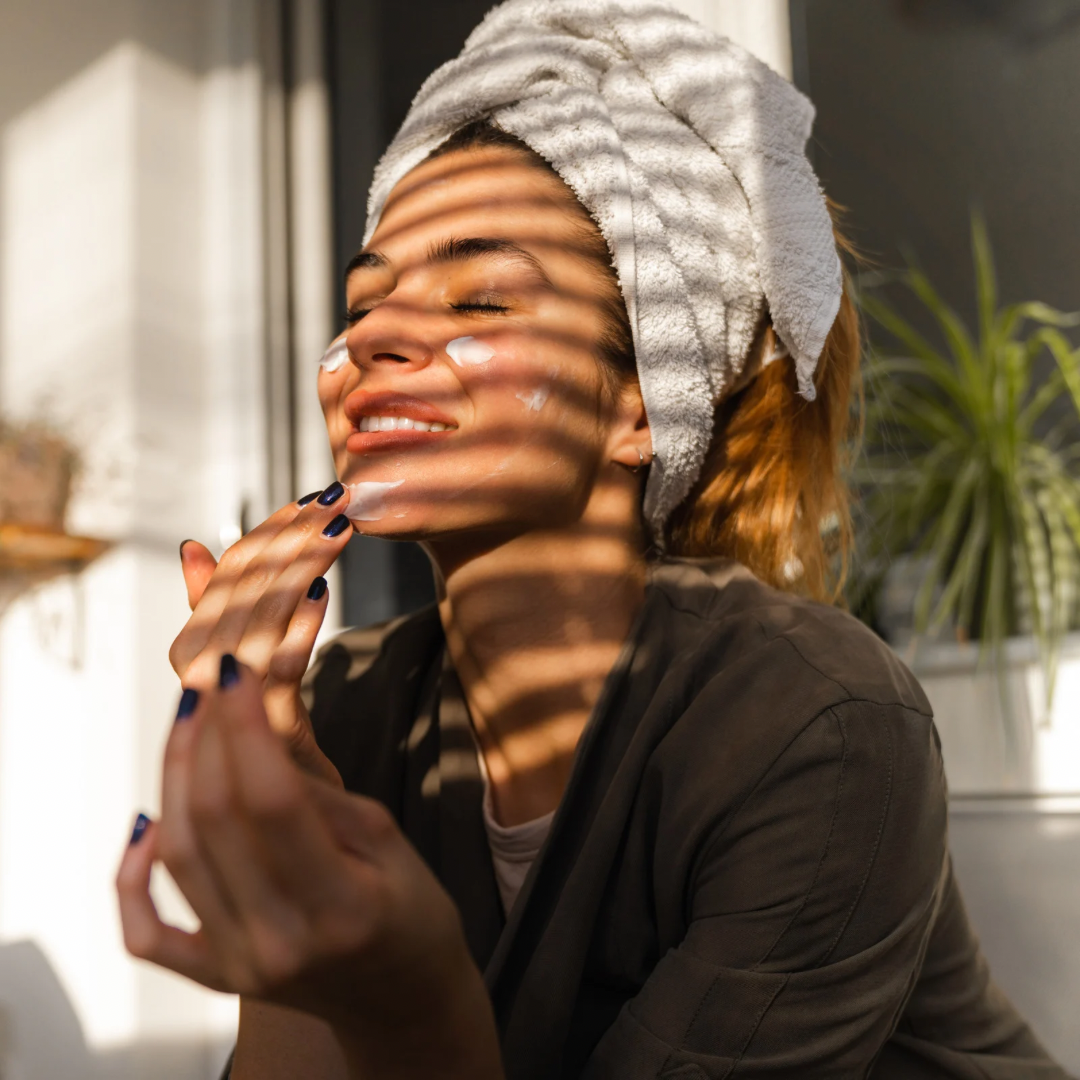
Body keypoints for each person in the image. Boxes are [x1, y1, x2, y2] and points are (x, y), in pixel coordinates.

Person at [115, 2, 1071, 1077]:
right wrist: (285, 804)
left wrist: (416, 1004)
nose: (371, 335)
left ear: (646, 407)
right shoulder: (347, 705)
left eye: (477, 298)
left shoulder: (815, 722)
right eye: (365, 303)